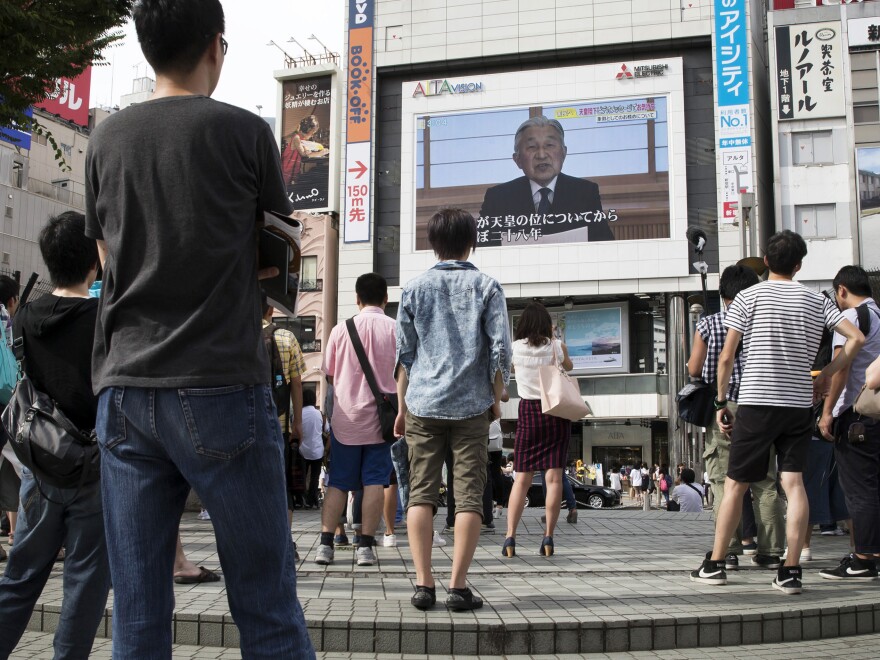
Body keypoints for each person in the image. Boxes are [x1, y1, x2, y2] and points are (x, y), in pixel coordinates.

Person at [83, 1, 314, 655]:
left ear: (146, 46)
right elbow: (280, 259)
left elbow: (105, 259)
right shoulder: (246, 134)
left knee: (138, 616)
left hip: (125, 390)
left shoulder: (105, 139)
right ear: (217, 47)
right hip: (220, 382)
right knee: (266, 606)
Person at [691, 230, 864, 596]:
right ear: (799, 265)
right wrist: (826, 377)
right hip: (798, 404)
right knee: (793, 483)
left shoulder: (747, 297)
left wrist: (722, 402)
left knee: (736, 484)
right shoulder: (816, 300)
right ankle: (790, 570)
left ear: (766, 261)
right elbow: (856, 339)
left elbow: (725, 357)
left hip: (756, 402)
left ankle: (716, 563)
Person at [0, 211, 110, 658]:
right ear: (93, 264)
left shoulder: (24, 317)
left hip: (40, 465)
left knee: (21, 576)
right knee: (83, 586)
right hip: (94, 466)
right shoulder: (105, 317)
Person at [394, 208, 511, 611]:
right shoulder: (487, 287)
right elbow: (500, 351)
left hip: (422, 405)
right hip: (471, 407)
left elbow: (405, 355)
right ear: (471, 241)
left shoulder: (413, 289)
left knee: (420, 495)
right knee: (468, 498)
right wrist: (497, 397)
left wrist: (402, 406)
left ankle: (423, 585)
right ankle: (458, 587)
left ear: (433, 243)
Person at [687, 263, 785, 572]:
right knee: (766, 482)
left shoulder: (708, 325)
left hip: (725, 406)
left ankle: (726, 550)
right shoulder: (766, 324)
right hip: (762, 403)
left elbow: (694, 369)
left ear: (722, 294)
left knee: (721, 480)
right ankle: (770, 553)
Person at [315, 273, 396, 567]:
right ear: (386, 299)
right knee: (375, 481)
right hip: (382, 420)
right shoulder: (395, 329)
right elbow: (403, 373)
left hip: (346, 419)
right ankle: (365, 547)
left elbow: (331, 375)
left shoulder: (340, 330)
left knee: (338, 482)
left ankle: (326, 546)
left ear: (357, 298)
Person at [818, 265, 880, 579]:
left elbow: (841, 369)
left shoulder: (853, 319)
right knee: (873, 486)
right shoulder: (879, 316)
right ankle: (867, 553)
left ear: (842, 290)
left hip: (856, 416)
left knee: (860, 488)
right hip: (877, 414)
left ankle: (864, 558)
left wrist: (827, 411)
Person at [504, 302, 573, 558]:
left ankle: (510, 537)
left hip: (528, 413)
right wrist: (554, 340)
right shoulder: (555, 346)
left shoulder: (514, 349)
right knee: (553, 478)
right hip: (554, 411)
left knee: (521, 479)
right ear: (546, 325)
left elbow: (510, 369)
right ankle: (549, 537)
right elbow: (570, 367)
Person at [478, 116, 614, 246]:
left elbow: (604, 245)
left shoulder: (585, 193)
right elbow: (482, 249)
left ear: (564, 153)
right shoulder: (497, 198)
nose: (541, 155)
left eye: (549, 145)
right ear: (517, 160)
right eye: (532, 147)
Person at [299, 388, 328, 510]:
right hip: (317, 450)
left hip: (302, 450)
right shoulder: (319, 414)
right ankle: (313, 500)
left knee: (302, 476)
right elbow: (327, 431)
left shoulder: (298, 413)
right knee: (315, 477)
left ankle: (301, 499)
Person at [281, 115, 320, 188]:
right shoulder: (297, 138)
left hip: (293, 169)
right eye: (313, 132)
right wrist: (320, 153)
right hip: (286, 168)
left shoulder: (302, 138)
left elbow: (306, 150)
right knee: (285, 186)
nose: (312, 135)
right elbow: (303, 154)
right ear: (308, 130)